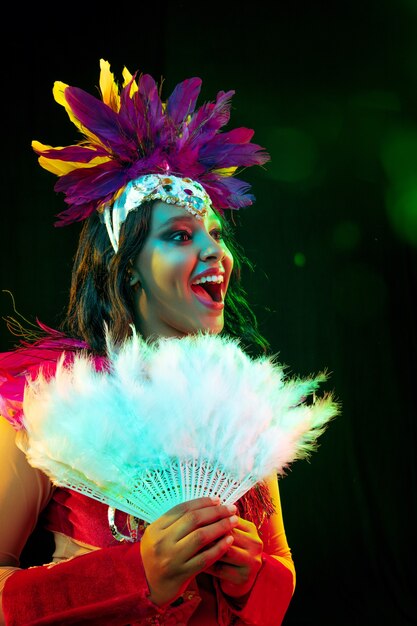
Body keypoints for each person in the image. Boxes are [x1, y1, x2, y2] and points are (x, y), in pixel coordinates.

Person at [0, 59, 298, 625]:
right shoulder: (44, 400)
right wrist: (137, 574)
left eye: (213, 233)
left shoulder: (239, 403)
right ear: (128, 267)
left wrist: (250, 576)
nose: (214, 252)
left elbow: (278, 583)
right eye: (180, 236)